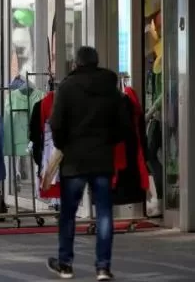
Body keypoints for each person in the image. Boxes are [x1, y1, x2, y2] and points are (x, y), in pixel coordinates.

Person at [47, 46, 129, 281]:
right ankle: (103, 267)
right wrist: (108, 142)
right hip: (102, 158)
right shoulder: (110, 89)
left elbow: (56, 123)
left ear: (77, 64)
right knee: (104, 214)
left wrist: (63, 145)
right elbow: (124, 124)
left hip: (74, 161)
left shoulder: (67, 87)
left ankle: (65, 264)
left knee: (69, 214)